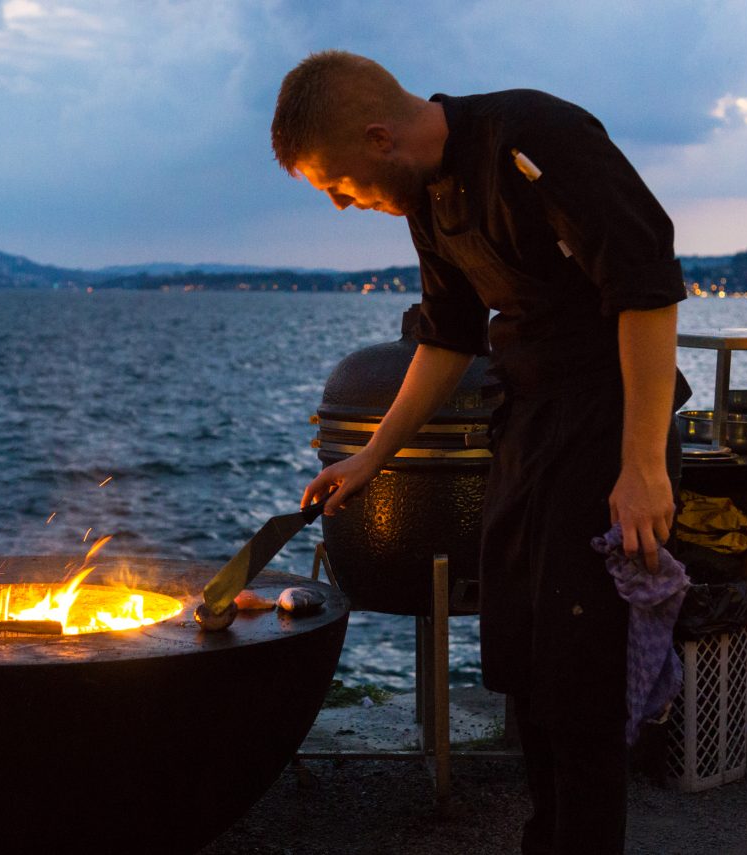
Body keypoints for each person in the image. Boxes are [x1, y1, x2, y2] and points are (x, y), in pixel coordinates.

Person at [273, 51, 687, 854]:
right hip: (529, 422)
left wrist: (643, 468)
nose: (338, 203)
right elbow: (449, 337)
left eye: (337, 182)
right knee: (526, 668)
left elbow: (647, 286)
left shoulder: (536, 138)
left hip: (612, 417)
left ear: (378, 137)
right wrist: (372, 457)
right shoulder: (428, 202)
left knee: (579, 682)